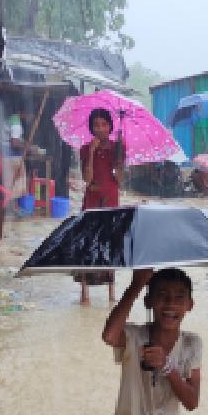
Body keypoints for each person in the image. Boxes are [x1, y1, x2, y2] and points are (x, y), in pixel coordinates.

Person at [101, 268, 202, 415]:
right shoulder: (134, 337)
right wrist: (136, 284)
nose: (170, 304)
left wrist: (167, 367)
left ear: (189, 305)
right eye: (162, 295)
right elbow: (110, 336)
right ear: (148, 301)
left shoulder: (192, 343)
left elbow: (192, 402)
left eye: (179, 297)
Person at [79, 107, 124, 306]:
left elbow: (120, 179)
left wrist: (120, 157)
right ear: (91, 127)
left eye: (104, 124)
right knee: (88, 243)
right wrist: (91, 152)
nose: (100, 129)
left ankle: (111, 293)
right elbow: (87, 180)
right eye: (96, 125)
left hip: (111, 199)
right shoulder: (84, 149)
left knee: (109, 243)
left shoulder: (117, 147)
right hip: (91, 199)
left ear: (110, 127)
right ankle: (84, 292)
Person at [3, 113, 28, 196]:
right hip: (12, 157)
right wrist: (28, 147)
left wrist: (25, 143)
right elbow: (14, 143)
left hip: (4, 154)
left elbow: (15, 138)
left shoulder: (9, 117)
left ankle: (10, 202)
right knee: (15, 183)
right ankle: (12, 204)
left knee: (7, 183)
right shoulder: (15, 121)